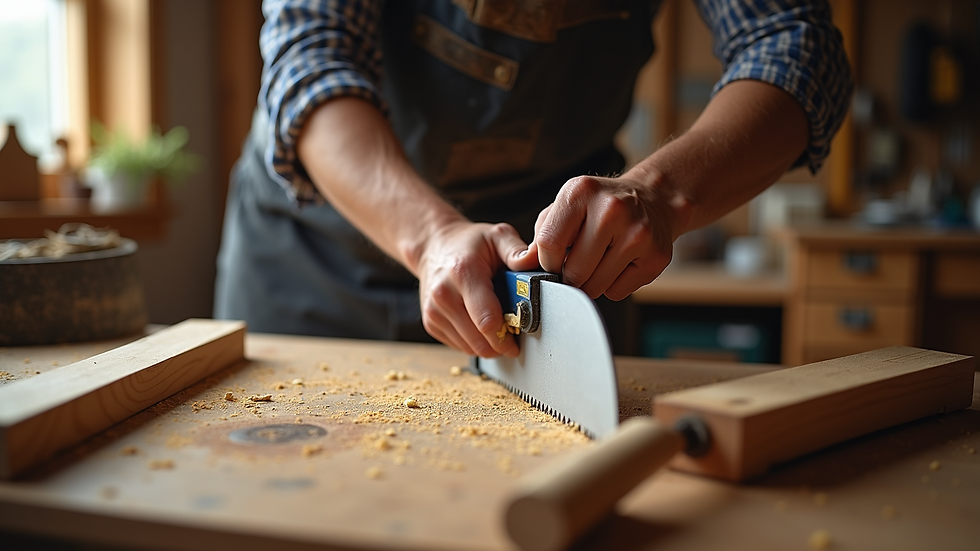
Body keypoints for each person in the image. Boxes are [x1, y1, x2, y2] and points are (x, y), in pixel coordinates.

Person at [214, 0, 852, 360]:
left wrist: (660, 193)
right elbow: (310, 60)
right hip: (315, 259)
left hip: (548, 272)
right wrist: (430, 235)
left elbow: (793, 42)